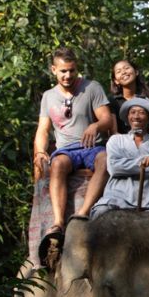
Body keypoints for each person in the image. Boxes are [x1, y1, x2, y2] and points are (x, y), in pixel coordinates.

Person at [33, 47, 113, 245]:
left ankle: (82, 213)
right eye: (63, 71)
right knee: (57, 164)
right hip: (66, 150)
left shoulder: (91, 87)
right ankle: (58, 222)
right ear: (53, 70)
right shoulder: (48, 96)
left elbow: (106, 118)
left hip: (92, 147)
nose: (68, 75)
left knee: (105, 160)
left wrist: (95, 125)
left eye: (72, 70)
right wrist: (40, 151)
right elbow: (43, 130)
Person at [90, 97, 149, 218]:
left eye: (141, 113)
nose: (136, 116)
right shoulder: (116, 140)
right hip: (117, 199)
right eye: (133, 112)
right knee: (99, 213)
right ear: (128, 118)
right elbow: (114, 167)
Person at [109, 59, 149, 135]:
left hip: (148, 141)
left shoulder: (147, 95)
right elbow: (113, 132)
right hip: (123, 143)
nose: (124, 72)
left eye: (126, 68)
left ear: (136, 72)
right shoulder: (113, 101)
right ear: (116, 80)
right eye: (119, 71)